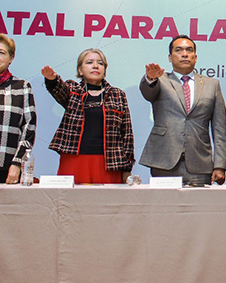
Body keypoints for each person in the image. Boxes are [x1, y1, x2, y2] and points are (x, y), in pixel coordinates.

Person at [139, 35, 226, 185]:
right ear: (170, 57)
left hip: (200, 164)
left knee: (199, 201)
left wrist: (220, 165)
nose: (184, 54)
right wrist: (150, 79)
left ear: (195, 57)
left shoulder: (212, 85)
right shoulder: (160, 80)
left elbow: (220, 128)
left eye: (189, 50)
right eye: (179, 50)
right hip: (164, 162)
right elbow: (148, 92)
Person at [42, 49, 134, 183]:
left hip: (109, 162)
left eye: (100, 63)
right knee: (71, 196)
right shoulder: (73, 90)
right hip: (74, 159)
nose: (95, 66)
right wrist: (52, 80)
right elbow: (59, 90)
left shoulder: (117, 94)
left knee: (108, 197)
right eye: (89, 62)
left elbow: (127, 134)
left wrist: (127, 168)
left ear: (105, 70)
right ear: (80, 70)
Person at [0, 34, 36, 184]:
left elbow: (29, 127)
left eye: (1, 52)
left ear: (11, 58)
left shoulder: (22, 87)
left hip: (6, 169)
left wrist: (17, 163)